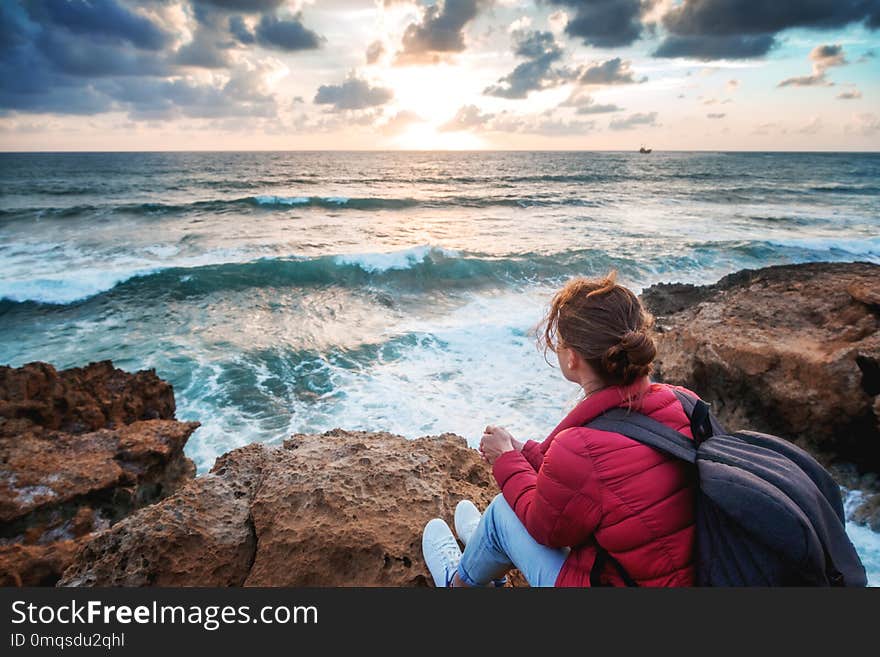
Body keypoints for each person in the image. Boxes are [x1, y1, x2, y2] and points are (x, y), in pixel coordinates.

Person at [422, 271, 699, 587]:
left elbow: (546, 528)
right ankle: (484, 544)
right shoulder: (680, 401)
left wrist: (506, 460)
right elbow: (586, 480)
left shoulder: (582, 446)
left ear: (572, 359)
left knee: (502, 513)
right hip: (670, 573)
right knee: (503, 519)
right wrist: (522, 450)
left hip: (611, 580)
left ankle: (456, 581)